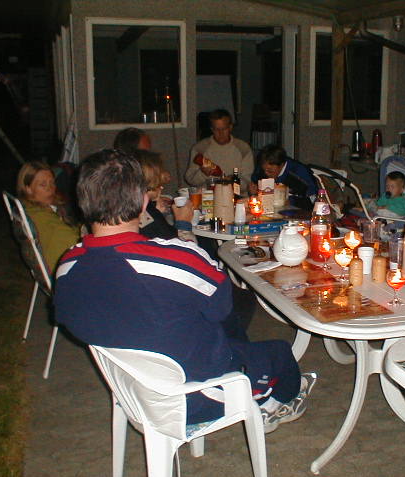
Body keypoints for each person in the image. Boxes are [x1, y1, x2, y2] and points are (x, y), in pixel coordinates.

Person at [54, 149, 316, 431]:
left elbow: (72, 317)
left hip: (132, 390)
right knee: (278, 354)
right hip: (194, 395)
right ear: (143, 202)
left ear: (82, 202)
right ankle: (271, 403)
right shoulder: (176, 259)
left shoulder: (67, 267)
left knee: (217, 330)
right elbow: (223, 308)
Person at [16, 161, 80, 273]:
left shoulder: (39, 206)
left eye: (52, 183)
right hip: (65, 271)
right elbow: (74, 242)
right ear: (28, 188)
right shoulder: (40, 217)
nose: (51, 188)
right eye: (43, 185)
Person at [185, 109, 254, 193]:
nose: (221, 133)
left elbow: (248, 182)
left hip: (236, 196)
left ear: (230, 127)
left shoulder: (243, 148)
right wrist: (203, 174)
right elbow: (190, 180)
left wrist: (232, 181)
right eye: (217, 129)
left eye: (224, 129)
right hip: (208, 197)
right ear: (212, 129)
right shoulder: (199, 148)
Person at [134, 150, 195, 242]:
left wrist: (156, 210)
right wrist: (183, 223)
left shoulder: (134, 206)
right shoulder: (147, 214)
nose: (162, 187)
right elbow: (180, 248)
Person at [249, 145, 317, 210]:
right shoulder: (262, 170)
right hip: (268, 209)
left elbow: (312, 200)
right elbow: (255, 184)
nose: (266, 173)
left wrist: (291, 201)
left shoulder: (298, 173)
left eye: (270, 171)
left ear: (282, 165)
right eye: (264, 170)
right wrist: (254, 191)